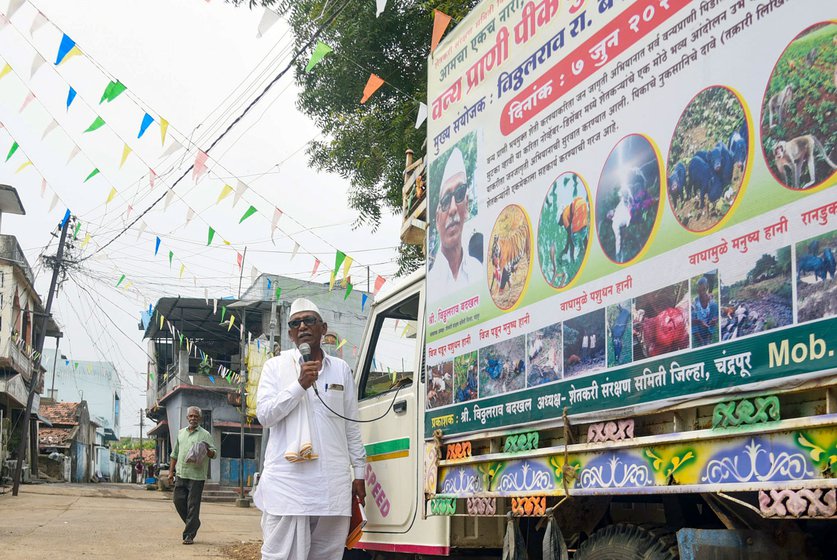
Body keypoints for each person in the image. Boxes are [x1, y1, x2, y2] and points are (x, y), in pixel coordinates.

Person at [253, 298, 366, 560]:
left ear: (323, 328)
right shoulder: (275, 367)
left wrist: (359, 472)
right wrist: (299, 385)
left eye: (309, 320)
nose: (302, 326)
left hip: (331, 485)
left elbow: (351, 424)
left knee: (328, 555)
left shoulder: (341, 369)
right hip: (288, 485)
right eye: (296, 323)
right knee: (279, 556)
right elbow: (265, 416)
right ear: (291, 333)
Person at [429, 147, 481, 290]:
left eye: (459, 193)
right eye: (445, 200)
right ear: (437, 218)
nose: (452, 209)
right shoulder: (431, 286)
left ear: (467, 205)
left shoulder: (479, 272)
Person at [167, 406, 216, 545]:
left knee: (193, 506)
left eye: (196, 416)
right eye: (191, 416)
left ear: (199, 418)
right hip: (181, 473)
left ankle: (189, 535)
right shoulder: (181, 433)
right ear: (187, 418)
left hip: (197, 476)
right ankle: (194, 524)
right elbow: (174, 454)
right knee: (178, 501)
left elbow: (214, 453)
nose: (193, 418)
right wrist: (171, 472)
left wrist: (207, 450)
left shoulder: (205, 434)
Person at [692, 276, 718, 346]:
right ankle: (701, 341)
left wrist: (715, 320)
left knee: (714, 306)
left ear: (707, 289)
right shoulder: (695, 302)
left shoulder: (712, 301)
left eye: (704, 289)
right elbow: (691, 321)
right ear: (697, 290)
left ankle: (709, 339)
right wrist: (700, 322)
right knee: (693, 312)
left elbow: (716, 317)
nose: (702, 292)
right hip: (699, 329)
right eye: (700, 290)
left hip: (709, 327)